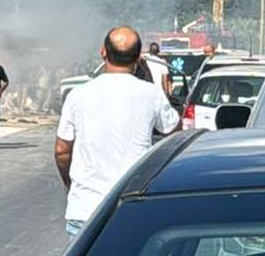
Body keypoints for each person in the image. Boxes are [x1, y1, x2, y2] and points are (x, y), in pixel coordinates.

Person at [55, 27, 179, 237]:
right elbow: (174, 132)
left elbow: (61, 151)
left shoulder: (78, 94)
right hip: (133, 207)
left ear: (103, 52)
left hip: (85, 208)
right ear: (139, 57)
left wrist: (70, 185)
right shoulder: (151, 94)